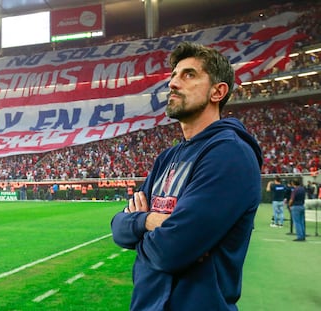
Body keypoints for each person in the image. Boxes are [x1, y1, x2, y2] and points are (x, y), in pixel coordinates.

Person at [111, 41, 262, 310]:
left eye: (189, 74)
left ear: (218, 91)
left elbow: (171, 250)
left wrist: (143, 229)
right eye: (173, 76)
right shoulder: (166, 158)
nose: (173, 83)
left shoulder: (231, 154)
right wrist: (149, 221)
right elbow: (118, 228)